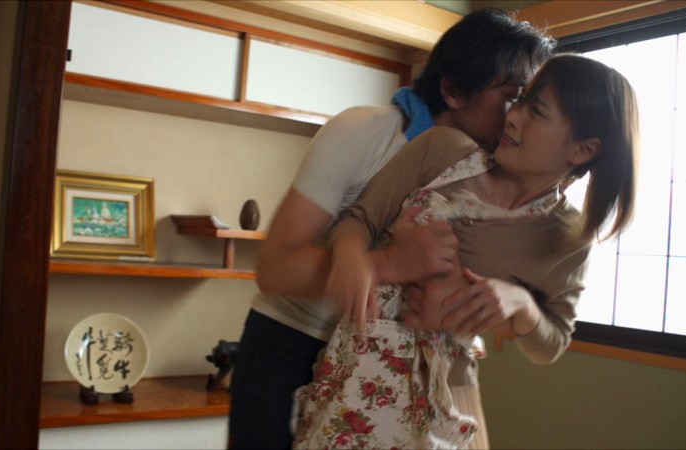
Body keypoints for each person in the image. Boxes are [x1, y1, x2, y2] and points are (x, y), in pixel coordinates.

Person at [228, 9, 555, 450]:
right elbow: (276, 268)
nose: (522, 116)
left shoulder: (502, 179)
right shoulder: (368, 132)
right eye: (513, 96)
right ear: (453, 91)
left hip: (407, 368)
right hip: (294, 345)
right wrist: (389, 264)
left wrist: (511, 301)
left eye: (534, 103)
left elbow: (540, 325)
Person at [292, 53, 639, 449]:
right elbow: (358, 220)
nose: (513, 116)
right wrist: (356, 260)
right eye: (521, 99)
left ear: (582, 149)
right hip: (354, 372)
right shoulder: (441, 150)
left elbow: (553, 342)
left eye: (537, 111)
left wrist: (519, 303)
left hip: (444, 400)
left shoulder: (567, 239)